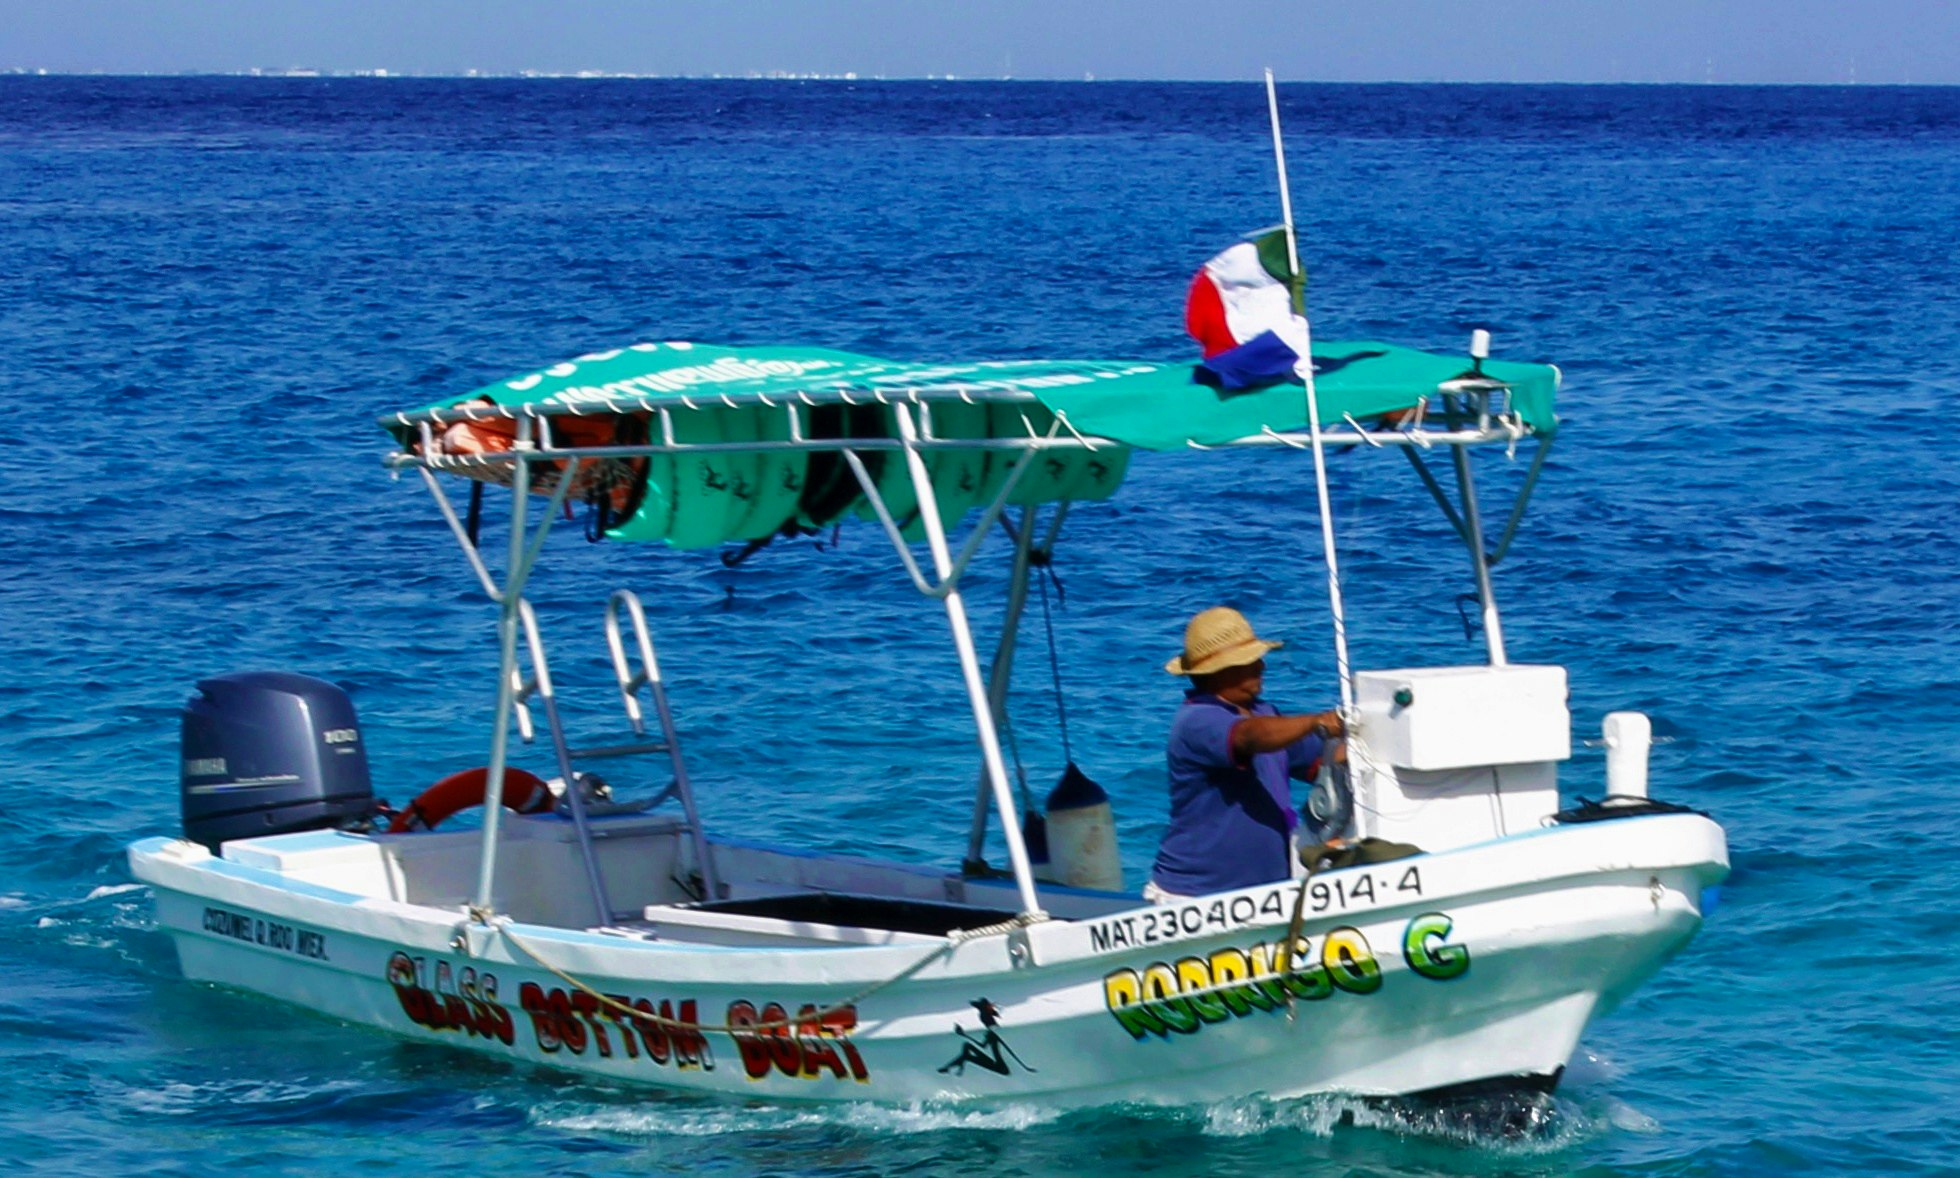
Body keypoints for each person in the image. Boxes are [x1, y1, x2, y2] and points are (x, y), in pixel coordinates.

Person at [1146, 606, 1344, 903]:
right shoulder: (1198, 721)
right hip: (1195, 897)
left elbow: (1319, 763)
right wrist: (1316, 721)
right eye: (1248, 662)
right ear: (1217, 673)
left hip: (1262, 896)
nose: (1261, 667)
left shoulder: (1265, 713)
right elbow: (1249, 736)